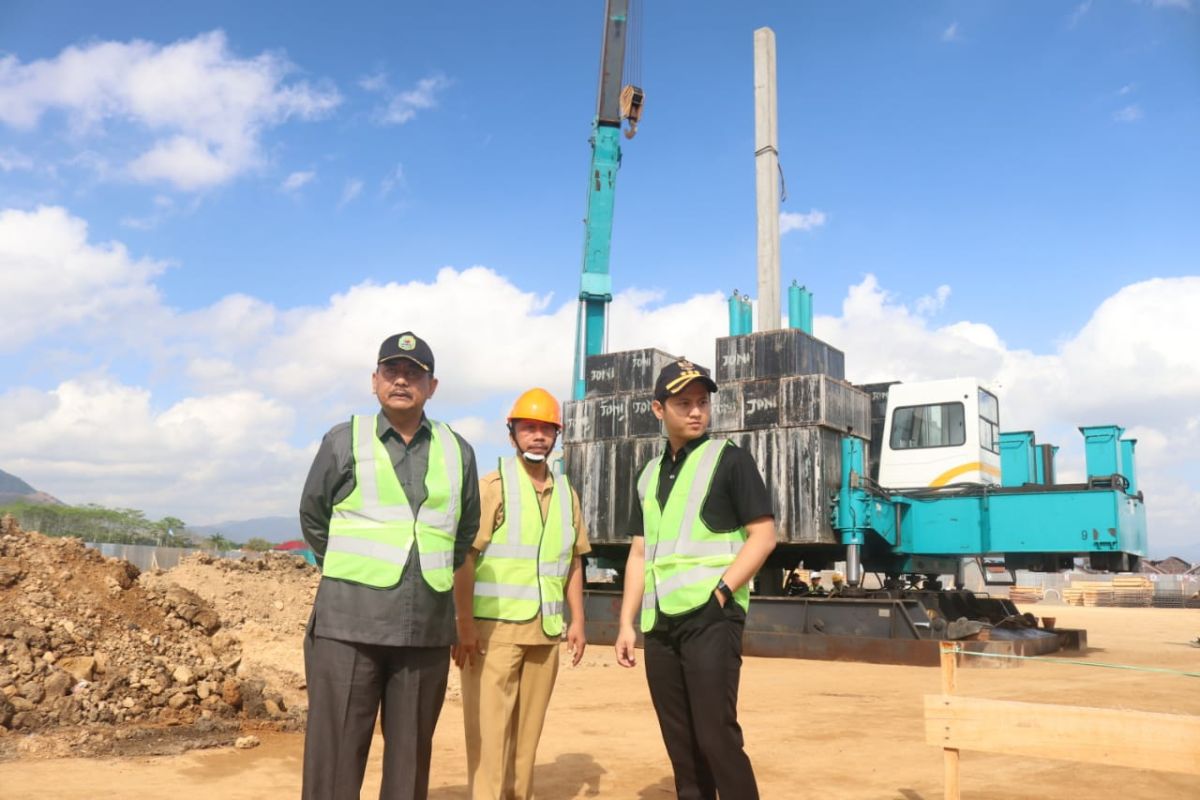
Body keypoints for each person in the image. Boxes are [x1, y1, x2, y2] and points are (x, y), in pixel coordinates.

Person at [299, 331, 480, 800]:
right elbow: (313, 516)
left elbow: (464, 530)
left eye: (414, 373)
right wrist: (350, 568)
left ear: (432, 386)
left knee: (410, 761)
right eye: (392, 371)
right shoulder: (343, 441)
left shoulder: (457, 450)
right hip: (348, 625)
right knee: (335, 756)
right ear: (375, 380)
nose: (402, 380)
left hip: (425, 629)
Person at [614, 358, 777, 800]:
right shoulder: (649, 475)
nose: (695, 412)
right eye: (683, 402)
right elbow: (640, 552)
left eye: (702, 402)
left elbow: (763, 537)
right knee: (681, 744)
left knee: (716, 737)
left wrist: (721, 594)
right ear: (658, 409)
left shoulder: (730, 460)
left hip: (711, 618)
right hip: (661, 624)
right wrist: (627, 622)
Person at [455, 387, 589, 800]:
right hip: (492, 634)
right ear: (512, 434)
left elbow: (573, 562)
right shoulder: (492, 487)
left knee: (527, 738)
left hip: (545, 633)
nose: (537, 436)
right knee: (489, 734)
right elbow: (465, 558)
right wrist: (463, 627)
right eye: (528, 428)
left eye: (545, 430)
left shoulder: (567, 494)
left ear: (556, 437)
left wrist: (578, 621)